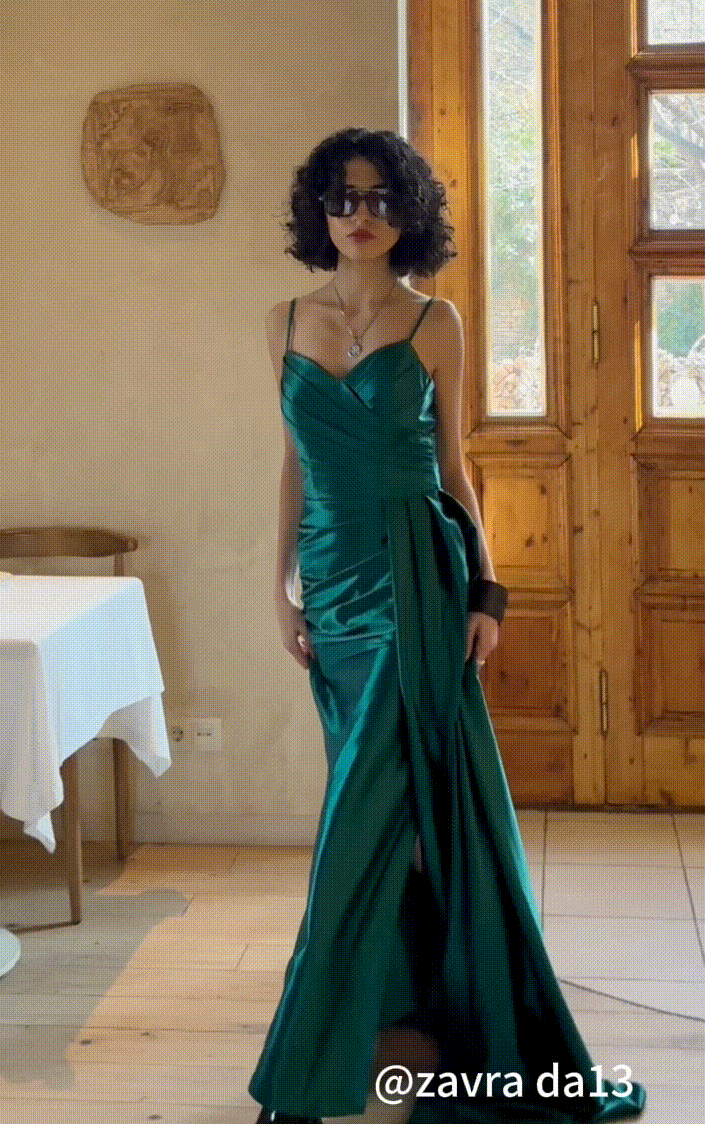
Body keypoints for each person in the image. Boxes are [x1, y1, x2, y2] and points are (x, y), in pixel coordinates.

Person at [248, 128, 646, 1124]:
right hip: (331, 589)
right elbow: (294, 462)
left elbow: (454, 469)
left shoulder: (435, 321)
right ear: (319, 212)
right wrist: (278, 586)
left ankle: (303, 1073)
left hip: (417, 584)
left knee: (359, 819)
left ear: (408, 214)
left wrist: (488, 590)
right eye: (343, 198)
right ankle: (408, 1017)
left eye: (381, 199)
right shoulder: (283, 320)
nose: (361, 216)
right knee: (391, 814)